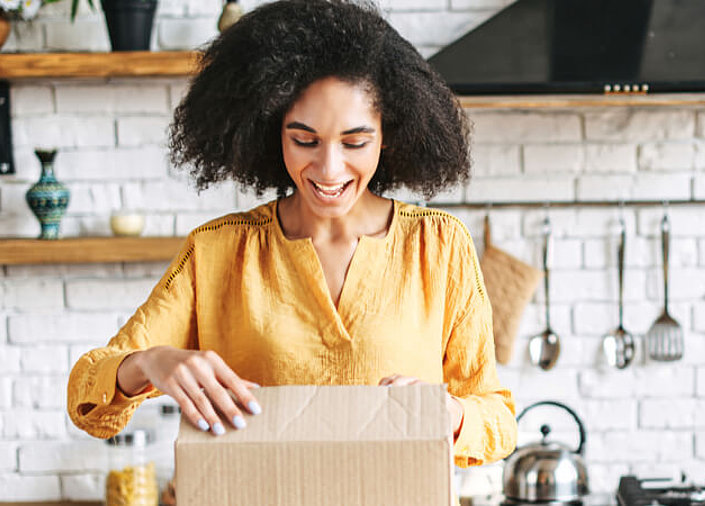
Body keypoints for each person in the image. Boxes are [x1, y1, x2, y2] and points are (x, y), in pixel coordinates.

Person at [66, 0, 517, 470]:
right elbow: (88, 398)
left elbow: (499, 419)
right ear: (270, 132)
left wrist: (453, 415)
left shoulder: (439, 246)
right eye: (304, 140)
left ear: (389, 134)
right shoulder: (218, 251)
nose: (329, 168)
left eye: (355, 142)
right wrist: (149, 363)